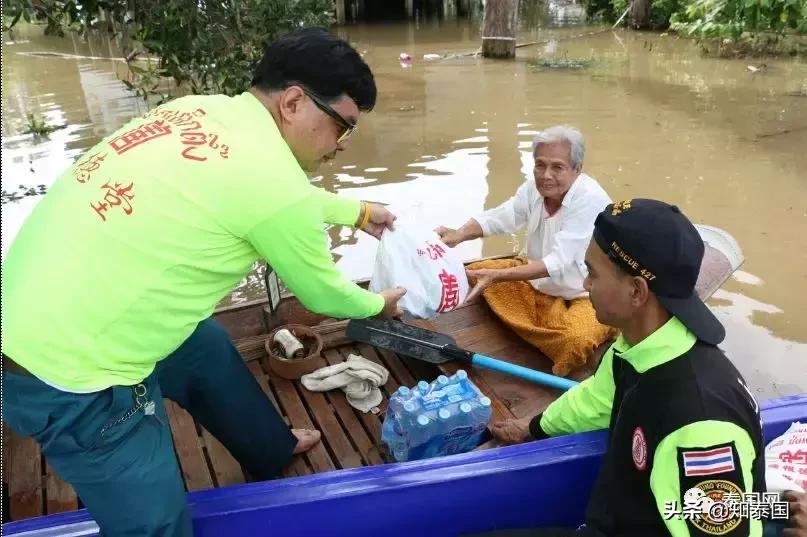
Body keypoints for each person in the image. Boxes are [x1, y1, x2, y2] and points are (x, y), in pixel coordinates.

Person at [1, 28, 405, 536]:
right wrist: (378, 304)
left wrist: (357, 211)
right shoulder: (275, 185)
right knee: (156, 524)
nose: (340, 146)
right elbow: (323, 293)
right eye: (342, 128)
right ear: (296, 103)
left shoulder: (202, 111)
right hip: (67, 373)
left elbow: (264, 198)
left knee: (203, 347)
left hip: (33, 307)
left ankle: (269, 448)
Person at [488, 199, 765, 536]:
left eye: (592, 273)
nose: (585, 285)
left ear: (636, 291)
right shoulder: (637, 344)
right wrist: (532, 428)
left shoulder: (701, 424)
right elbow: (597, 400)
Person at [436, 125, 613, 377]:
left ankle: (597, 328)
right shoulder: (533, 189)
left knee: (575, 341)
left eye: (557, 167)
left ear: (577, 169)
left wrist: (497, 276)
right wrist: (458, 234)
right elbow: (503, 216)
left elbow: (558, 262)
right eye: (540, 165)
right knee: (472, 273)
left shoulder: (590, 199)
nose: (545, 175)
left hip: (585, 294)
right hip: (538, 281)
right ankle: (542, 324)